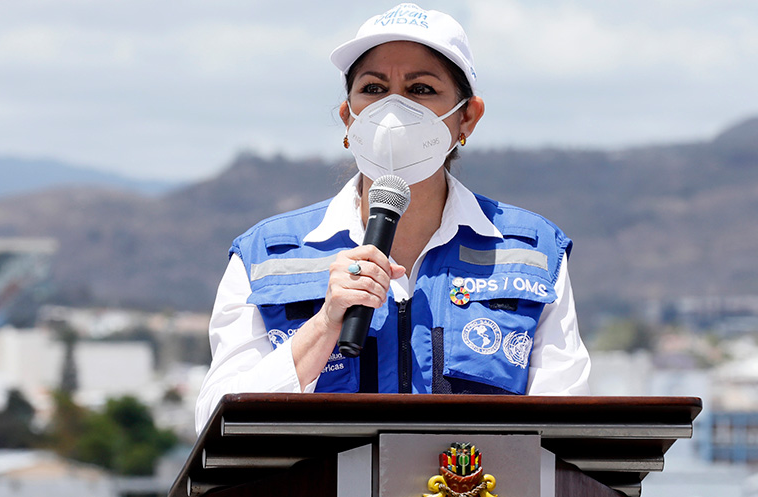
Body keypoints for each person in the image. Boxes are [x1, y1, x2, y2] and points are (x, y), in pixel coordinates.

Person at [195, 3, 590, 434]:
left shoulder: (531, 251)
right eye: (374, 88)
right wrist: (326, 323)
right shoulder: (265, 254)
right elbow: (215, 422)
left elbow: (563, 423)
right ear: (348, 117)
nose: (394, 110)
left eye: (420, 89)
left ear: (467, 117)